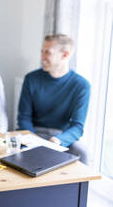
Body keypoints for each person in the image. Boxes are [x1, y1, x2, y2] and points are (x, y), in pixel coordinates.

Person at [17, 34, 90, 163]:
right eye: (42, 52)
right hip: (33, 133)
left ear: (65, 55)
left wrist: (58, 140)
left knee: (83, 153)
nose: (42, 57)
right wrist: (33, 140)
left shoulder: (81, 85)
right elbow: (24, 118)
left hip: (61, 136)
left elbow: (78, 127)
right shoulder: (31, 79)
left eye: (48, 53)